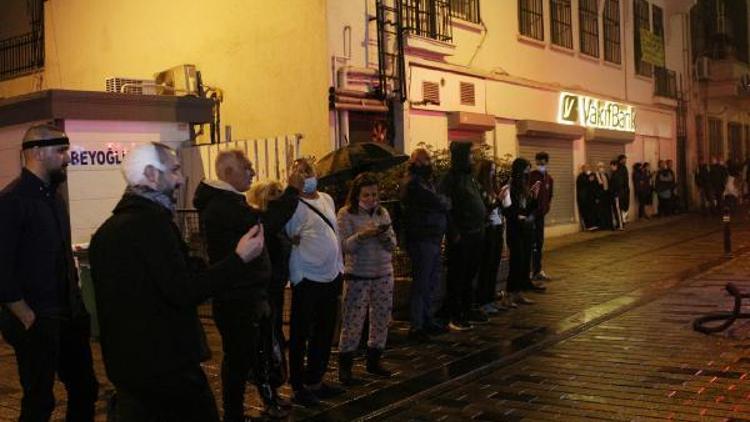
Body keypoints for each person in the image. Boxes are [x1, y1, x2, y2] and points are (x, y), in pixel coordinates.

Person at [89, 143, 265, 422]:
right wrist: (239, 259)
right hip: (167, 370)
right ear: (150, 173)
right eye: (174, 170)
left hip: (128, 370)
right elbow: (183, 291)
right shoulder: (151, 226)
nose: (181, 179)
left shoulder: (106, 232)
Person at [0, 124, 99, 422]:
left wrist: (77, 305)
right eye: (60, 150)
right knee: (39, 400)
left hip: (67, 314)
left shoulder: (54, 198)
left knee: (85, 388)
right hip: (36, 319)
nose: (67, 157)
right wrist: (25, 314)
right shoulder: (12, 201)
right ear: (37, 152)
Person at [192, 150, 288, 420]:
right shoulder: (223, 206)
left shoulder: (228, 202)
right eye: (247, 168)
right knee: (237, 360)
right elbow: (265, 223)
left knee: (255, 354)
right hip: (237, 298)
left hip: (249, 294)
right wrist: (292, 192)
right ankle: (233, 414)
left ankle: (262, 401)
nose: (253, 173)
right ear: (228, 172)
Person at [284, 158, 345, 407]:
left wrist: (340, 265)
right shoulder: (292, 204)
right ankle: (298, 385)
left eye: (309, 171)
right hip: (306, 276)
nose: (307, 176)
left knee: (324, 330)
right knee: (300, 333)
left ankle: (316, 379)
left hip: (331, 274)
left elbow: (334, 233)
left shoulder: (327, 199)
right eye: (301, 173)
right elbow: (289, 235)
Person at [336, 173, 397, 386]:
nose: (371, 198)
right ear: (356, 195)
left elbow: (393, 245)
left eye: (374, 194)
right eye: (366, 194)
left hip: (383, 273)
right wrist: (362, 235)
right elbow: (344, 246)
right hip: (358, 275)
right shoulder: (346, 214)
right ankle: (345, 367)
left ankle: (374, 361)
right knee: (353, 321)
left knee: (381, 319)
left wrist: (383, 236)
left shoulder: (383, 212)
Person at [400, 148, 449, 341]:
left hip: (432, 237)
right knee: (422, 282)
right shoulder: (413, 183)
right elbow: (438, 202)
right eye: (426, 159)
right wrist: (443, 202)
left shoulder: (425, 181)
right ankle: (417, 324)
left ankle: (427, 318)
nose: (430, 163)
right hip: (422, 238)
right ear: (417, 161)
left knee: (431, 281)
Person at [439, 141, 487, 331]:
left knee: (470, 275)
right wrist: (454, 232)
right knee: (458, 276)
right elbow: (446, 208)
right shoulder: (450, 179)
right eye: (469, 155)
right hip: (462, 235)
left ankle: (468, 308)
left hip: (475, 233)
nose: (472, 159)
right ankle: (455, 313)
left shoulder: (469, 177)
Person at [503, 158, 540, 307]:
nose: (528, 172)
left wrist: (534, 197)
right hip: (515, 228)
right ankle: (509, 294)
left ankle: (518, 292)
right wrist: (516, 215)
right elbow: (507, 208)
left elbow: (528, 207)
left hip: (524, 228)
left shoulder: (524, 186)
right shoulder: (511, 185)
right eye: (526, 169)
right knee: (516, 261)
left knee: (524, 260)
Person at [476, 159, 510, 315]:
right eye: (491, 171)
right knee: (486, 267)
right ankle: (483, 301)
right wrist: (498, 200)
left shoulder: (493, 188)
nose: (493, 174)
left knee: (494, 266)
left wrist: (502, 200)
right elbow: (485, 208)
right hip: (488, 230)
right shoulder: (481, 188)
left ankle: (490, 299)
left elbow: (501, 208)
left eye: (494, 171)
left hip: (497, 228)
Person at [529, 152, 553, 285]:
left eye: (542, 163)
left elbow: (549, 196)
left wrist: (545, 209)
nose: (540, 166)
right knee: (532, 244)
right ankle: (532, 271)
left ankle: (538, 270)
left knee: (539, 243)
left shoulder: (549, 178)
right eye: (538, 163)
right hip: (532, 216)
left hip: (540, 216)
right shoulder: (531, 177)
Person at [593, 162, 613, 230]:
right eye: (600, 167)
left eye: (602, 166)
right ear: (597, 168)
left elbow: (608, 184)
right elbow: (595, 187)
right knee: (600, 211)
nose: (601, 168)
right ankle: (602, 225)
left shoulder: (605, 175)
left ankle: (608, 225)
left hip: (606, 194)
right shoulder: (595, 175)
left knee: (607, 210)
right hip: (600, 195)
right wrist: (596, 197)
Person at [576, 164, 597, 230]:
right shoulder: (580, 176)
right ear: (583, 169)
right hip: (584, 198)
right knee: (586, 212)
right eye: (586, 168)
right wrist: (589, 179)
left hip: (591, 197)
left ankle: (593, 224)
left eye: (588, 168)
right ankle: (588, 226)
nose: (588, 169)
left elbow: (594, 184)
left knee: (592, 211)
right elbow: (582, 185)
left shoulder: (591, 175)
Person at [609, 160, 625, 230]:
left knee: (618, 210)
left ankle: (620, 225)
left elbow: (618, 185)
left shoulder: (617, 174)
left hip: (617, 195)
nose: (611, 167)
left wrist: (615, 193)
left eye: (611, 166)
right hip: (616, 194)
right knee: (616, 210)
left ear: (615, 165)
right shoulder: (615, 173)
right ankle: (619, 224)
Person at [616, 154, 630, 222]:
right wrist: (622, 189)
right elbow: (620, 179)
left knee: (625, 204)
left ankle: (624, 219)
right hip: (622, 190)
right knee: (622, 204)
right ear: (621, 160)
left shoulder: (624, 167)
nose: (625, 160)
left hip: (625, 189)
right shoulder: (619, 167)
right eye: (624, 159)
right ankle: (622, 219)